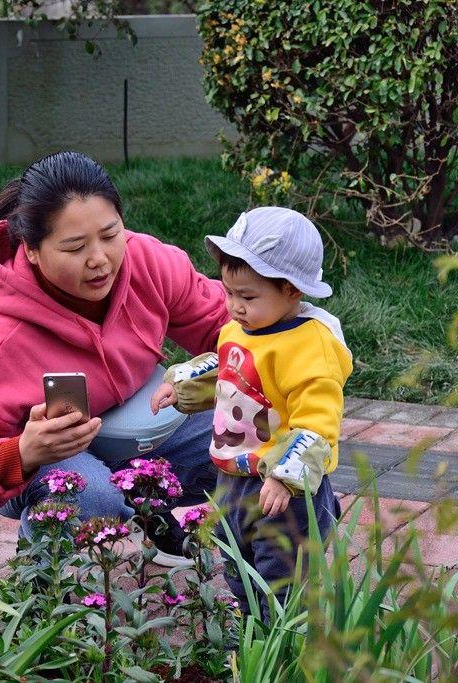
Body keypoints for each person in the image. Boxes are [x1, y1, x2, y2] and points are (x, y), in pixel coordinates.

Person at [0, 151, 231, 565]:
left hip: (143, 427)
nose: (100, 260)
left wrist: (290, 349)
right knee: (91, 494)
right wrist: (22, 452)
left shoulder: (149, 262)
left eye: (110, 235)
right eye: (74, 247)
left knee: (249, 436)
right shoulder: (0, 337)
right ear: (32, 250)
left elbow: (225, 326)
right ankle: (37, 592)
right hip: (49, 460)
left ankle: (151, 512)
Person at [150, 206, 353, 614]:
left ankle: (284, 651)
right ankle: (251, 637)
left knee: (281, 577)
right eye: (228, 293)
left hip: (281, 489)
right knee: (237, 564)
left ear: (292, 290)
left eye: (247, 297)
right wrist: (182, 384)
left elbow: (318, 421)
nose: (234, 306)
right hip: (233, 476)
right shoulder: (239, 330)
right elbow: (227, 369)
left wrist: (287, 477)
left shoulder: (308, 348)